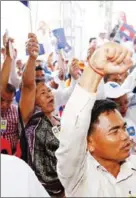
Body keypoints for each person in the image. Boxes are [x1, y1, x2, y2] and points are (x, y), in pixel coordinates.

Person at [56, 42, 136, 197]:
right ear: (90, 142)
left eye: (123, 128)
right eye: (114, 131)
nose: (125, 136)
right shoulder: (78, 175)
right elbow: (72, 128)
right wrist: (94, 71)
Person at [19, 33, 64, 196]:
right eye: (43, 93)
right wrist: (32, 58)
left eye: (49, 91)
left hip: (66, 188)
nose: (49, 95)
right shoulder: (30, 117)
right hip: (41, 191)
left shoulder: (59, 120)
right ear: (33, 101)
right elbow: (28, 86)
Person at [0, 36, 19, 152]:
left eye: (9, 101)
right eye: (2, 100)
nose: (4, 105)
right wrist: (8, 57)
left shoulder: (16, 111)